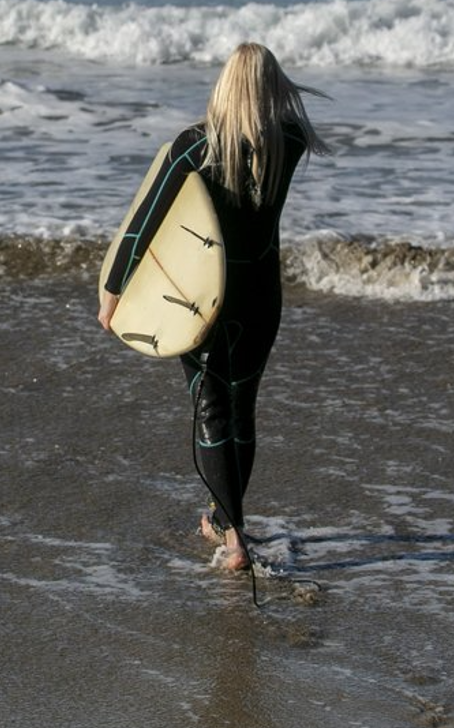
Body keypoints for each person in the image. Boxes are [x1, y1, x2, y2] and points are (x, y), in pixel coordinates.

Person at [98, 43, 320, 572]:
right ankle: (226, 522)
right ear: (273, 88)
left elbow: (142, 226)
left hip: (204, 303)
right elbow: (282, 119)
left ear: (223, 86)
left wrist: (112, 295)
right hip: (261, 298)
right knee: (242, 409)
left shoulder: (194, 147)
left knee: (212, 410)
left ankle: (235, 540)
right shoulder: (289, 142)